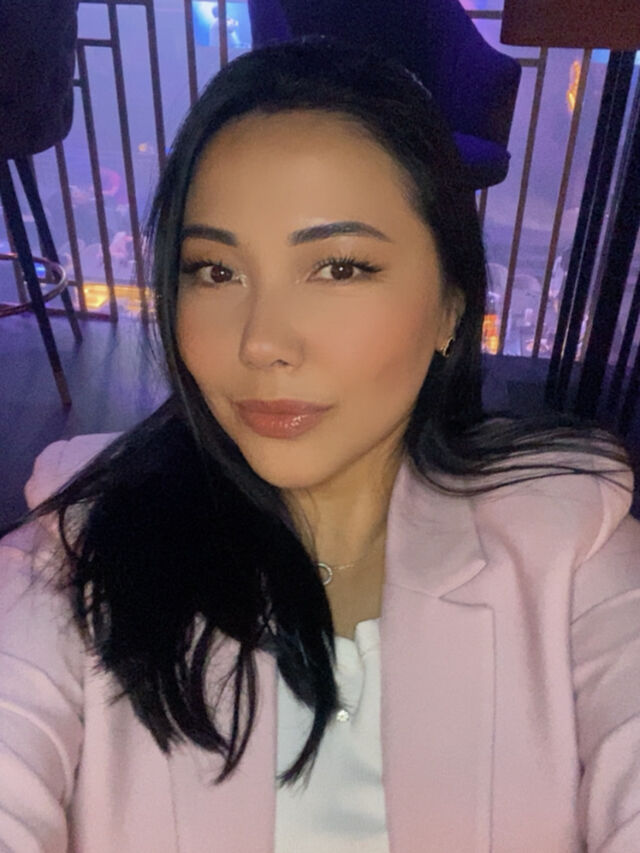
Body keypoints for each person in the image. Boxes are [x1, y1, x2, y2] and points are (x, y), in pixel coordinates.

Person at [1, 37, 639, 853]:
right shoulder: (71, 557)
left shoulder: (572, 548)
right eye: (216, 271)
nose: (263, 341)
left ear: (450, 306)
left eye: (338, 268)